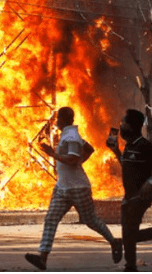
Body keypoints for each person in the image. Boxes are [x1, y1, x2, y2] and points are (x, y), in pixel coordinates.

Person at [25, 107, 122, 271]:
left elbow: (72, 159)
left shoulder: (71, 136)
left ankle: (114, 242)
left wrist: (52, 154)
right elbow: (89, 149)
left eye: (57, 119)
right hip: (62, 187)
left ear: (62, 119)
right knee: (51, 219)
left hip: (78, 188)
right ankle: (42, 257)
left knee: (91, 221)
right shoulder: (68, 134)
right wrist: (78, 163)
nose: (56, 122)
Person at [106, 109, 152, 272]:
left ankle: (130, 265)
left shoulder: (144, 145)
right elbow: (126, 166)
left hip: (141, 195)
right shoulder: (129, 146)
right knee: (129, 234)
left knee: (129, 234)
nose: (121, 125)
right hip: (129, 195)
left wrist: (151, 181)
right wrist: (116, 151)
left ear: (131, 126)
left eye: (124, 122)